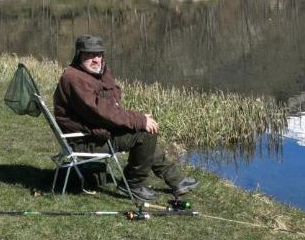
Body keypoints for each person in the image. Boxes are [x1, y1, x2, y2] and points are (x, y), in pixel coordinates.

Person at [53, 35, 198, 202]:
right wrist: (139, 119)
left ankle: (176, 180)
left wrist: (133, 116)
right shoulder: (74, 78)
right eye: (90, 55)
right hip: (85, 141)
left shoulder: (95, 72)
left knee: (142, 128)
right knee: (144, 133)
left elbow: (115, 94)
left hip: (96, 130)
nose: (96, 59)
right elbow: (102, 111)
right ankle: (132, 183)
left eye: (99, 55)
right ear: (79, 55)